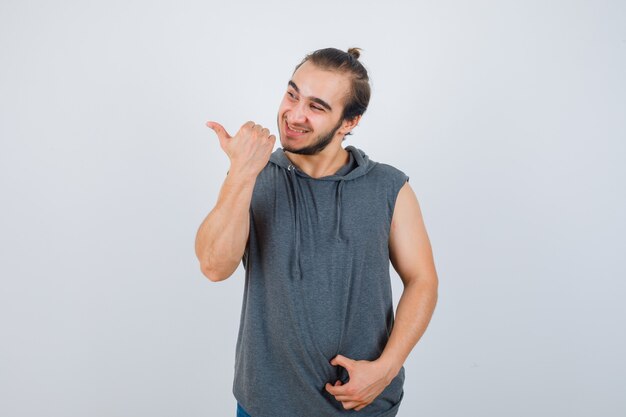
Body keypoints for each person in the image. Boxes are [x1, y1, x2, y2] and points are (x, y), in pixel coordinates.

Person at [195, 47, 438, 417]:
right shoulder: (251, 177)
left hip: (365, 405)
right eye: (292, 94)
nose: (294, 115)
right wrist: (242, 172)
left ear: (349, 122)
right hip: (265, 406)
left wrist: (385, 369)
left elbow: (422, 280)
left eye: (317, 106)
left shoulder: (389, 186)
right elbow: (214, 266)